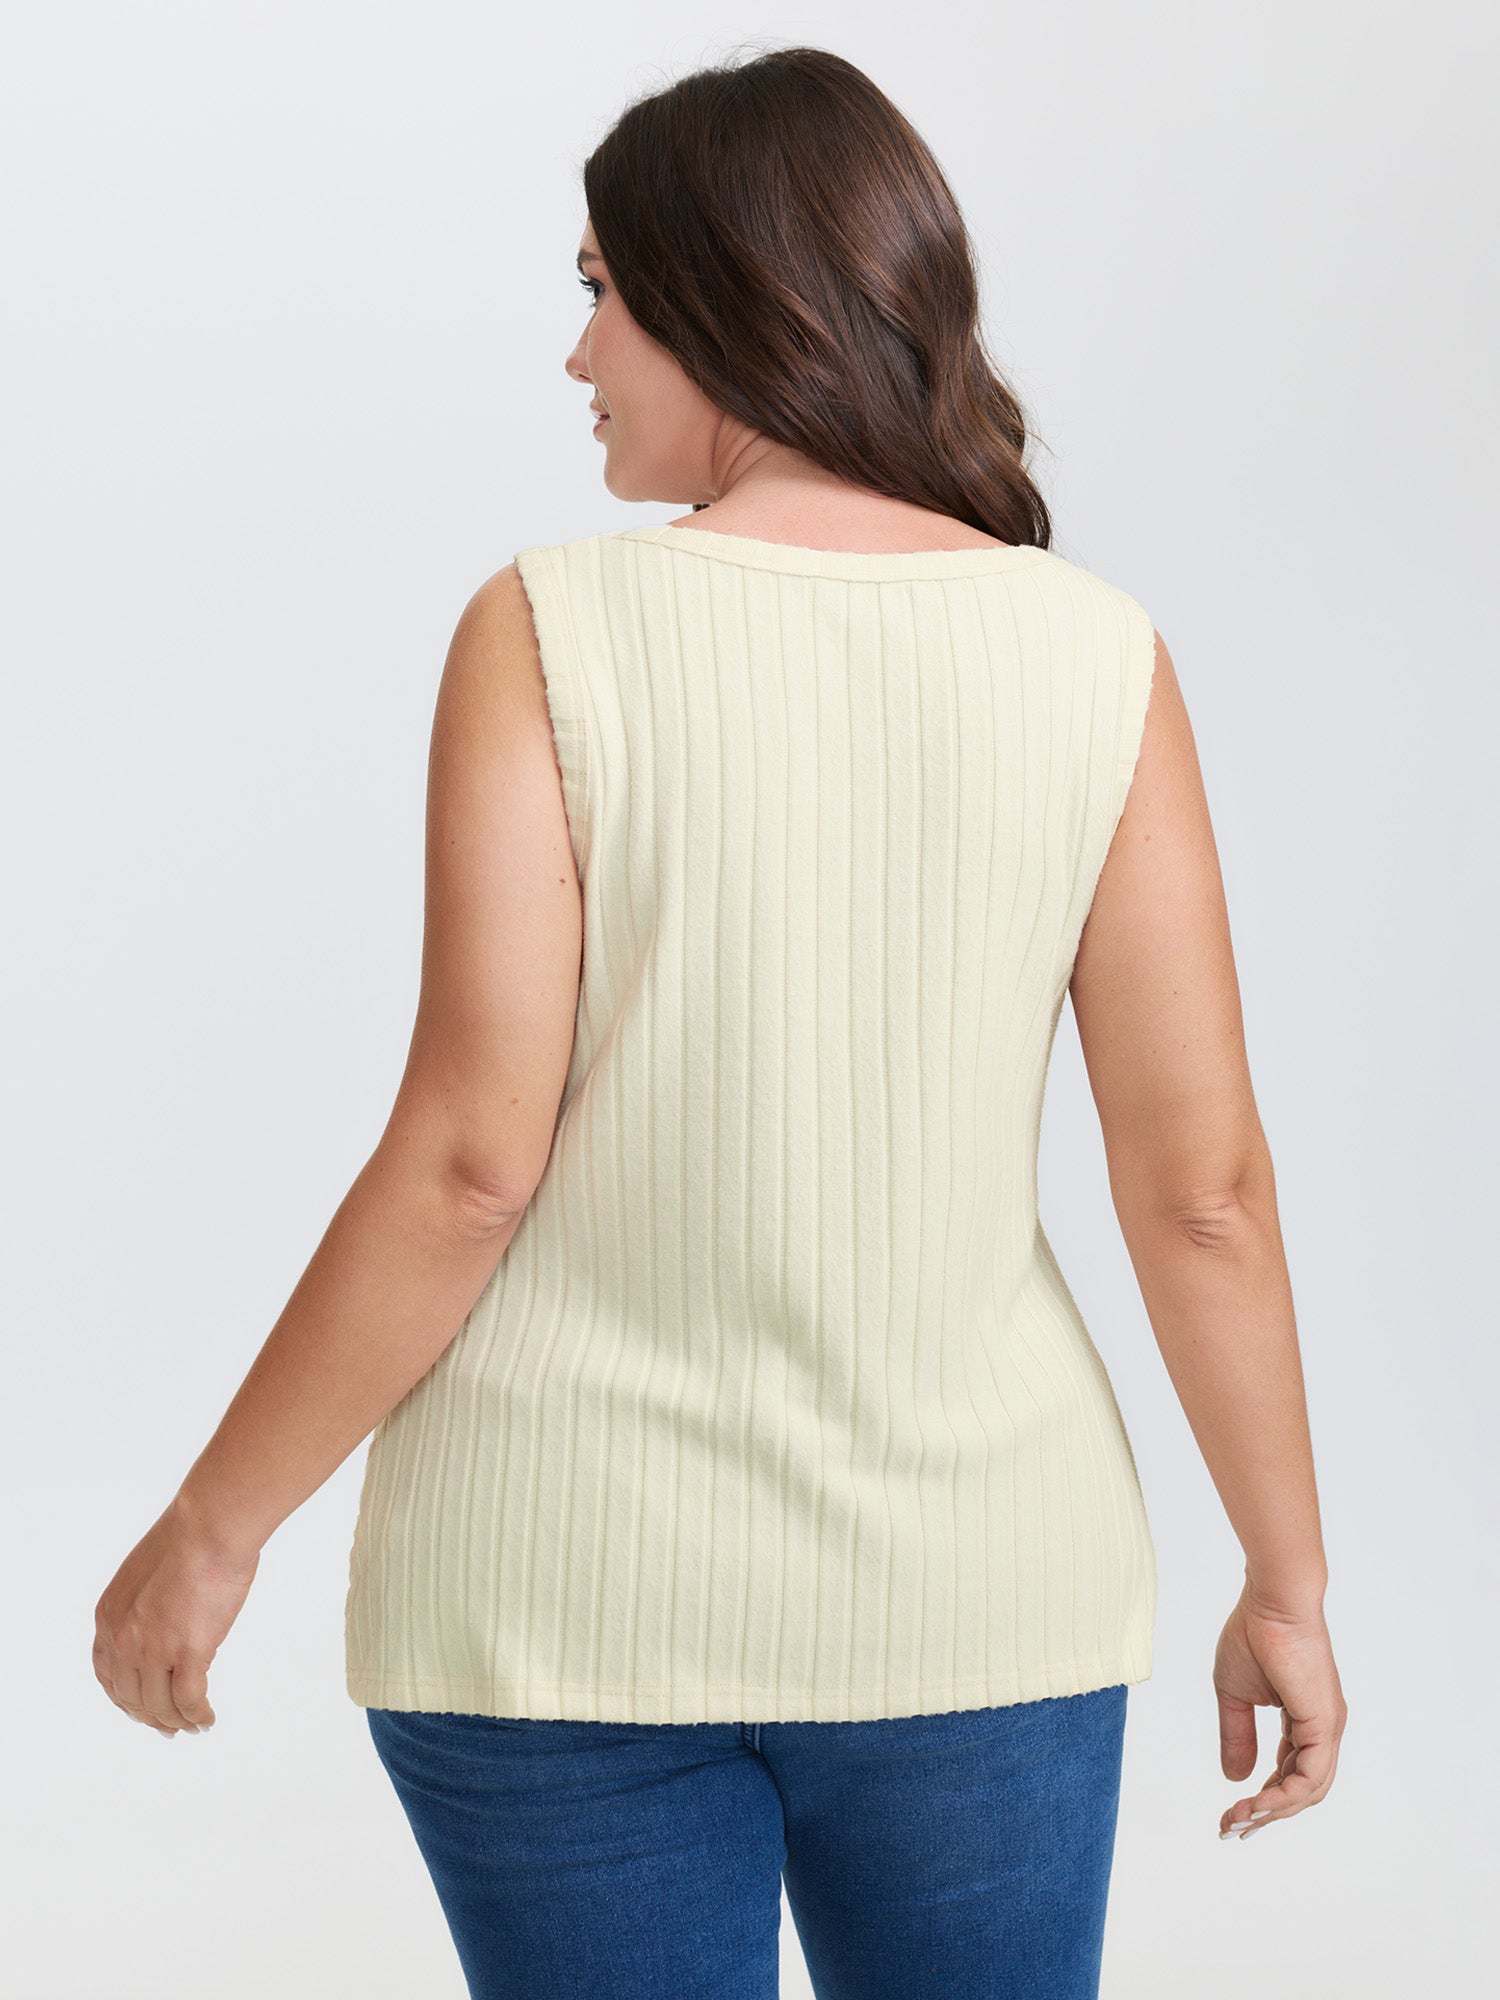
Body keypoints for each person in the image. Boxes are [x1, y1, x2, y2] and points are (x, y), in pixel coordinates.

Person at [92, 43, 1345, 2000]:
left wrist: (212, 1525)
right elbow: (1205, 1192)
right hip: (981, 1592)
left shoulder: (549, 628)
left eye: (603, 290)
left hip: (553, 1605)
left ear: (731, 292)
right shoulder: (1098, 657)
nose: (577, 352)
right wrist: (1289, 1576)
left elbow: (470, 1163)